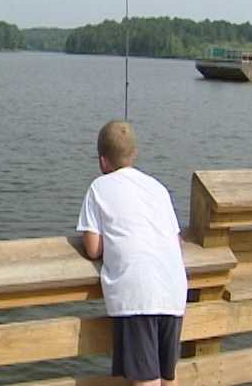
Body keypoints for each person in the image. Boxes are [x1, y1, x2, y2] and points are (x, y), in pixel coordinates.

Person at [76, 121, 187, 386]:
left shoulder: (99, 188)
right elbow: (176, 239)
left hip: (136, 293)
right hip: (172, 291)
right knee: (166, 378)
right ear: (134, 154)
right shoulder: (158, 188)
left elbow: (92, 249)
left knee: (145, 381)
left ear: (103, 161)